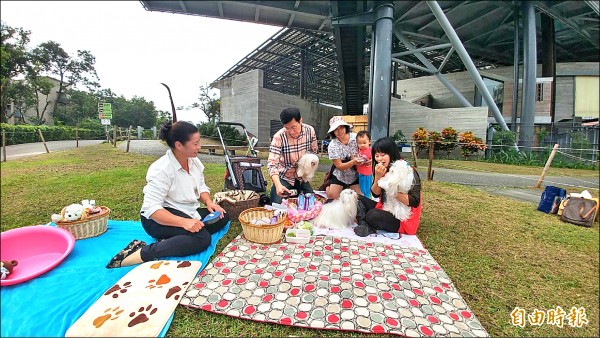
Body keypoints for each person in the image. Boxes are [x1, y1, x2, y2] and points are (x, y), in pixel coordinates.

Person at [106, 121, 229, 268]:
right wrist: (185, 223)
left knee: (222, 216)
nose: (199, 147)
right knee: (203, 239)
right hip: (157, 219)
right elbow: (151, 209)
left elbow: (201, 186)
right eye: (195, 144)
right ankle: (141, 252)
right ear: (179, 145)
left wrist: (209, 203)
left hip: (186, 211)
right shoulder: (162, 169)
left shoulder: (194, 162)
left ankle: (176, 238)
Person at [354, 137, 422, 237]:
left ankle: (365, 222)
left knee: (372, 215)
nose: (379, 159)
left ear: (392, 153)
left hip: (402, 218)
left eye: (383, 155)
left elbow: (415, 201)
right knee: (353, 197)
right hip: (384, 207)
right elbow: (375, 194)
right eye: (376, 156)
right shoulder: (383, 169)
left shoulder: (407, 170)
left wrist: (390, 188)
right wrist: (378, 177)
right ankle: (365, 224)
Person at [267, 107, 318, 204]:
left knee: (311, 203)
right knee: (276, 206)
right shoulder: (279, 136)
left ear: (300, 120)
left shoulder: (310, 131)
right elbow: (272, 164)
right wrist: (278, 185)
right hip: (285, 177)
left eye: (293, 127)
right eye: (287, 128)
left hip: (302, 177)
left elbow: (313, 152)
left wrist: (307, 168)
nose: (291, 131)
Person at [325, 115, 362, 200]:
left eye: (341, 127)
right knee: (332, 197)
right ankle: (327, 187)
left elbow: (366, 149)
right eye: (336, 129)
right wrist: (353, 162)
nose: (339, 131)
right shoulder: (332, 145)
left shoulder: (356, 137)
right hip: (340, 174)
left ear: (346, 127)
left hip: (355, 174)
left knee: (360, 198)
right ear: (333, 132)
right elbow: (339, 166)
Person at [355, 130, 373, 198]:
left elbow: (362, 160)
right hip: (361, 173)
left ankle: (368, 201)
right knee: (362, 189)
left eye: (364, 142)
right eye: (359, 143)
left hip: (366, 174)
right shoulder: (360, 150)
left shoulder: (369, 150)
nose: (362, 145)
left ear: (369, 142)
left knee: (366, 190)